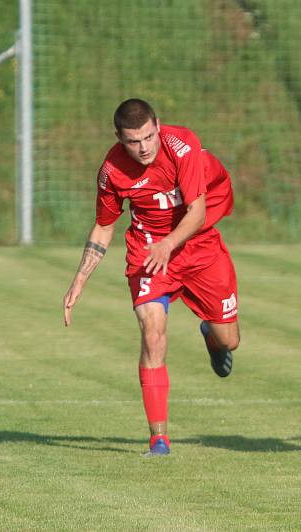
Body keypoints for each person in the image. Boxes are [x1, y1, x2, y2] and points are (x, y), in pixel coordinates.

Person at [63, 99, 241, 456]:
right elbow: (103, 225)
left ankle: (211, 335)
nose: (143, 147)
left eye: (147, 137)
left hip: (199, 246)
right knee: (152, 335)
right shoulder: (111, 171)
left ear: (158, 125)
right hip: (147, 253)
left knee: (230, 340)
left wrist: (170, 244)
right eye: (133, 141)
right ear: (119, 138)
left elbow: (197, 211)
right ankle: (158, 438)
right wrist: (80, 278)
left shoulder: (182, 145)